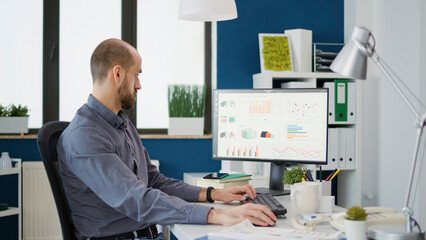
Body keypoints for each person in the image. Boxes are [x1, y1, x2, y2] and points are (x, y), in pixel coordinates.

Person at [57, 38, 277, 240]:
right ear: (117, 74)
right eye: (137, 74)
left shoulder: (121, 124)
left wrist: (213, 194)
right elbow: (136, 199)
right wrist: (218, 215)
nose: (139, 85)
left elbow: (154, 181)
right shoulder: (84, 136)